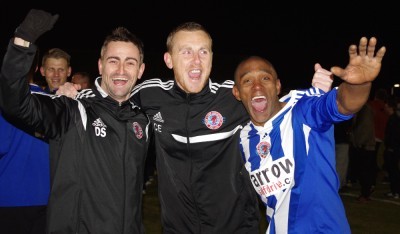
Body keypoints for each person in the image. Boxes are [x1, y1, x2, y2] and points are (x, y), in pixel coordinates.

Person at [58, 21, 332, 233]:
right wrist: (73, 92)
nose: (196, 61)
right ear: (169, 60)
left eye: (203, 52)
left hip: (236, 228)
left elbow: (276, 103)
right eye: (185, 52)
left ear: (212, 57)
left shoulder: (233, 97)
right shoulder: (151, 95)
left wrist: (314, 92)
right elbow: (112, 94)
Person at [0, 9, 150, 233]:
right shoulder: (75, 108)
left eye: (130, 63)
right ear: (100, 65)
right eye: (113, 61)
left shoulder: (142, 120)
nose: (121, 70)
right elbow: (15, 104)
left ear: (140, 70)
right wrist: (23, 40)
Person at [232, 36, 386, 233]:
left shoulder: (303, 111)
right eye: (247, 81)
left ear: (278, 86)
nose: (257, 87)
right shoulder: (243, 137)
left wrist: (360, 84)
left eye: (265, 78)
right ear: (237, 92)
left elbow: (342, 105)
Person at [0, 49, 50, 234]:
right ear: (37, 68)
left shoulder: (4, 101)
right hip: (45, 195)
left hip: (9, 195)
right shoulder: (51, 101)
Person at [348, 103, 376, 202]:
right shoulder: (362, 109)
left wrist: (358, 143)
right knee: (364, 170)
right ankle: (366, 191)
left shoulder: (364, 110)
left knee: (365, 171)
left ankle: (365, 193)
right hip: (363, 145)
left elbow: (364, 128)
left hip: (365, 146)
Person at [383, 96, 400, 199]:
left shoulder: (394, 119)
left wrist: (391, 147)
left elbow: (394, 135)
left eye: (386, 106)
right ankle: (394, 190)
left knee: (394, 170)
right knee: (391, 170)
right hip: (392, 148)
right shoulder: (392, 118)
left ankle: (396, 191)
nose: (384, 108)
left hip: (393, 149)